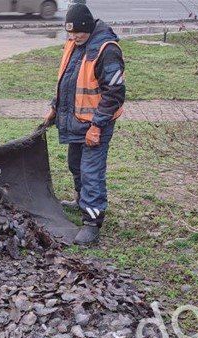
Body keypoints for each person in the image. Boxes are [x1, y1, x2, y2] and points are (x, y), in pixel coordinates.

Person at [43, 3, 126, 246]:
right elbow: (67, 81)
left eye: (77, 32)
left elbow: (115, 93)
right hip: (76, 122)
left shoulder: (107, 50)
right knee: (75, 165)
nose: (73, 37)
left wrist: (97, 126)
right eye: (69, 33)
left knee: (91, 172)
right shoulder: (74, 44)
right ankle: (82, 201)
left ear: (88, 27)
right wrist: (54, 108)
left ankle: (92, 223)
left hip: (95, 125)